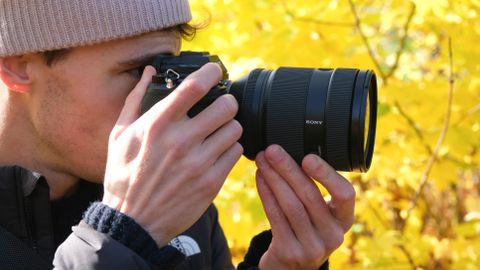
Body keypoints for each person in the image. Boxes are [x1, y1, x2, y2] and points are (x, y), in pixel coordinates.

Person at [0, 0, 356, 269]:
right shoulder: (146, 210)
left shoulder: (177, 205)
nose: (164, 103)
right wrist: (121, 235)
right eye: (139, 71)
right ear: (18, 67)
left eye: (167, 70)